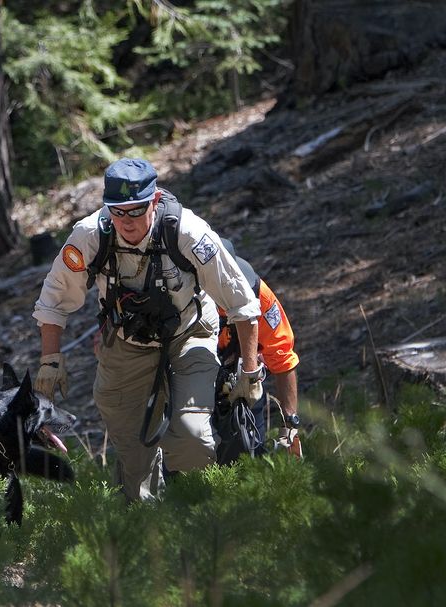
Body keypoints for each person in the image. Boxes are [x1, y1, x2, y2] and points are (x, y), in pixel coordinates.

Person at [33, 158, 262, 500]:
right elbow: (53, 300)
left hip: (190, 331)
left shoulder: (187, 232)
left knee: (190, 437)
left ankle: (200, 510)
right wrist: (51, 360)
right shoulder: (90, 236)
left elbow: (243, 305)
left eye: (136, 210)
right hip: (126, 340)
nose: (126, 221)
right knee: (133, 452)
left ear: (154, 201)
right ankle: (149, 525)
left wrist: (250, 372)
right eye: (118, 211)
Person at [216, 239, 302, 458]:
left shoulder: (256, 293)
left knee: (247, 462)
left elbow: (282, 356)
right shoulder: (184, 293)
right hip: (189, 388)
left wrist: (289, 428)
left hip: (244, 389)